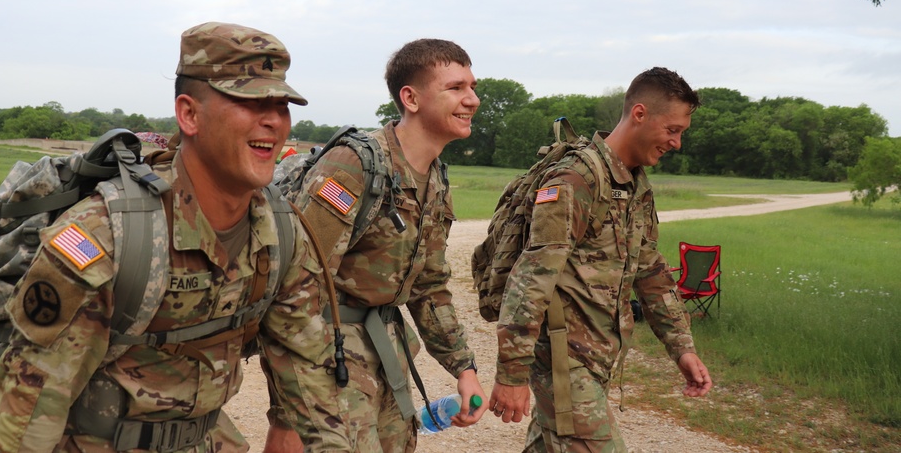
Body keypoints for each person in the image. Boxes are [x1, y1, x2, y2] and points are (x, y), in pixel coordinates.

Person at [0, 22, 333, 453]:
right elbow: (26, 414)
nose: (274, 120)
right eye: (250, 101)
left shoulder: (280, 228)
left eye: (282, 104)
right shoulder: (109, 232)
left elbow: (311, 378)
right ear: (189, 114)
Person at [261, 39, 488, 453]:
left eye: (473, 87)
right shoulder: (355, 164)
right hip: (328, 351)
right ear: (411, 98)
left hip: (384, 350)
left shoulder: (435, 178)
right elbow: (295, 284)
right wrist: (301, 400)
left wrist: (464, 368)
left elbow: (429, 285)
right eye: (456, 88)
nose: (472, 99)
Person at [490, 67, 713, 452]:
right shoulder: (576, 179)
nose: (676, 143)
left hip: (596, 360)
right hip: (563, 362)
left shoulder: (634, 183)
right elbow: (532, 277)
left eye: (681, 133)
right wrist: (511, 373)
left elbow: (651, 271)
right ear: (639, 114)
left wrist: (683, 348)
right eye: (672, 130)